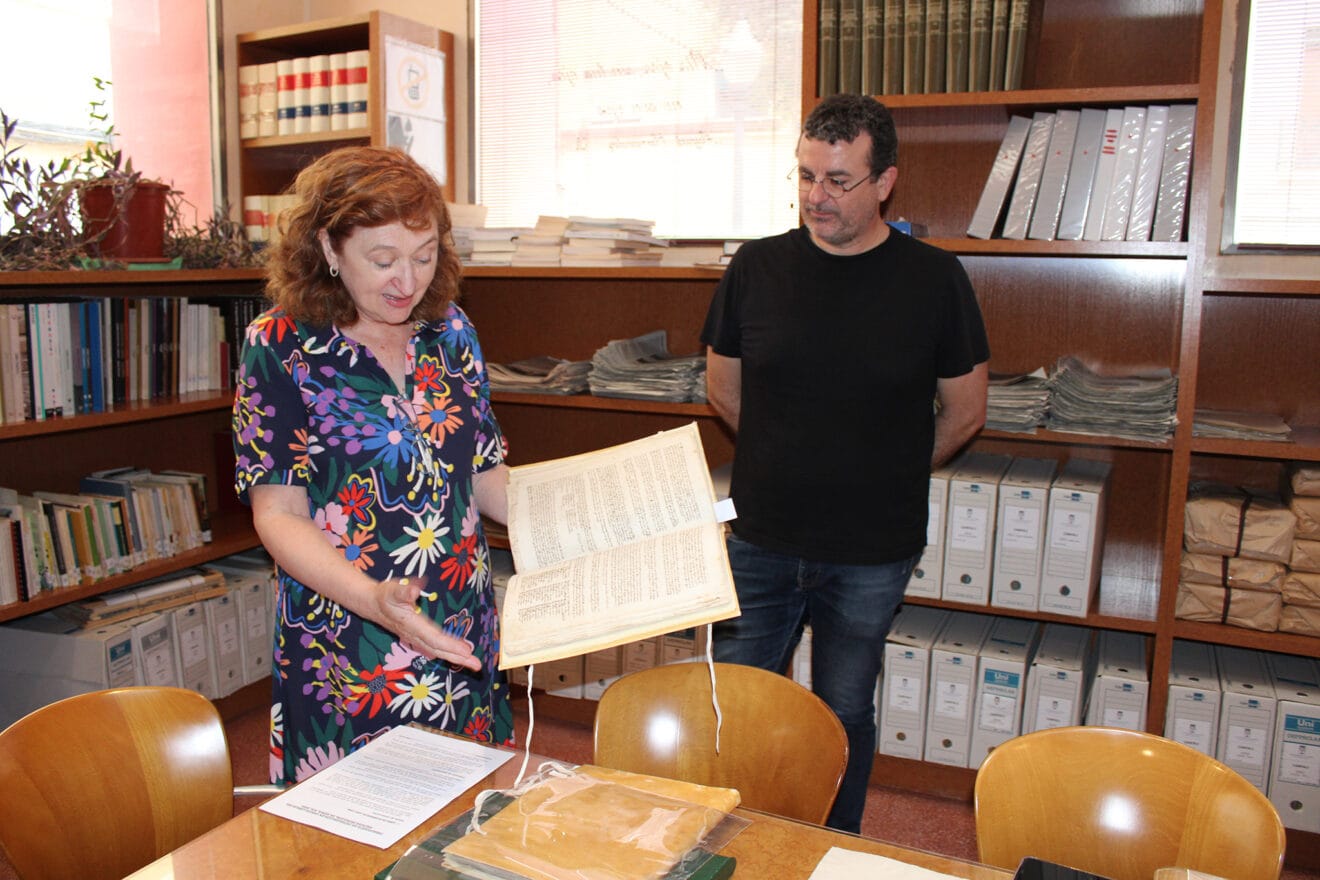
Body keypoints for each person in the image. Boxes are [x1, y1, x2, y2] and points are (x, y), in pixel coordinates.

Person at [700, 94, 989, 833]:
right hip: (761, 537)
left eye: (837, 181)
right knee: (737, 703)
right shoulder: (756, 267)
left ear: (885, 181)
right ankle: (732, 838)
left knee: (844, 710)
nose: (815, 198)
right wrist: (791, 455)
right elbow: (723, 389)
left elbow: (966, 410)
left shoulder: (935, 279)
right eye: (804, 177)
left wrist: (885, 468)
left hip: (871, 549)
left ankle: (833, 843)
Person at [232, 146, 514, 785]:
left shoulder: (451, 332)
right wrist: (375, 601)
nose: (406, 282)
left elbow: (483, 473)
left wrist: (583, 519)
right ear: (330, 249)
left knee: (466, 816)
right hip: (349, 631)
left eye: (423, 257)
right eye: (382, 260)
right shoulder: (279, 347)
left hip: (456, 618)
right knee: (352, 829)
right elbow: (277, 514)